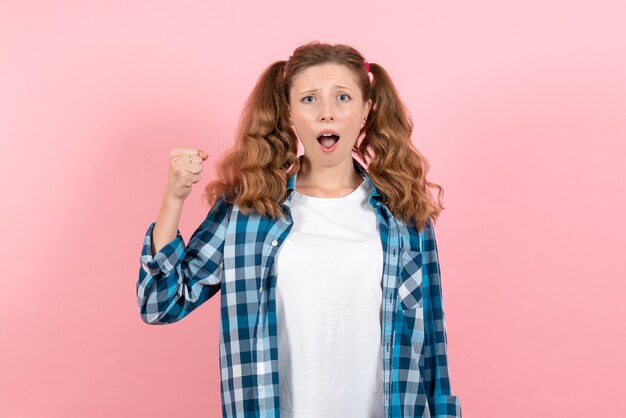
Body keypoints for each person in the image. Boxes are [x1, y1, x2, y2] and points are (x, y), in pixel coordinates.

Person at [137, 41, 462, 418]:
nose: (327, 113)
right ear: (289, 113)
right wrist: (173, 199)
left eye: (342, 97)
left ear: (366, 110)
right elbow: (160, 304)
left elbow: (433, 347)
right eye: (309, 99)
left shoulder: (404, 215)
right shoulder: (247, 209)